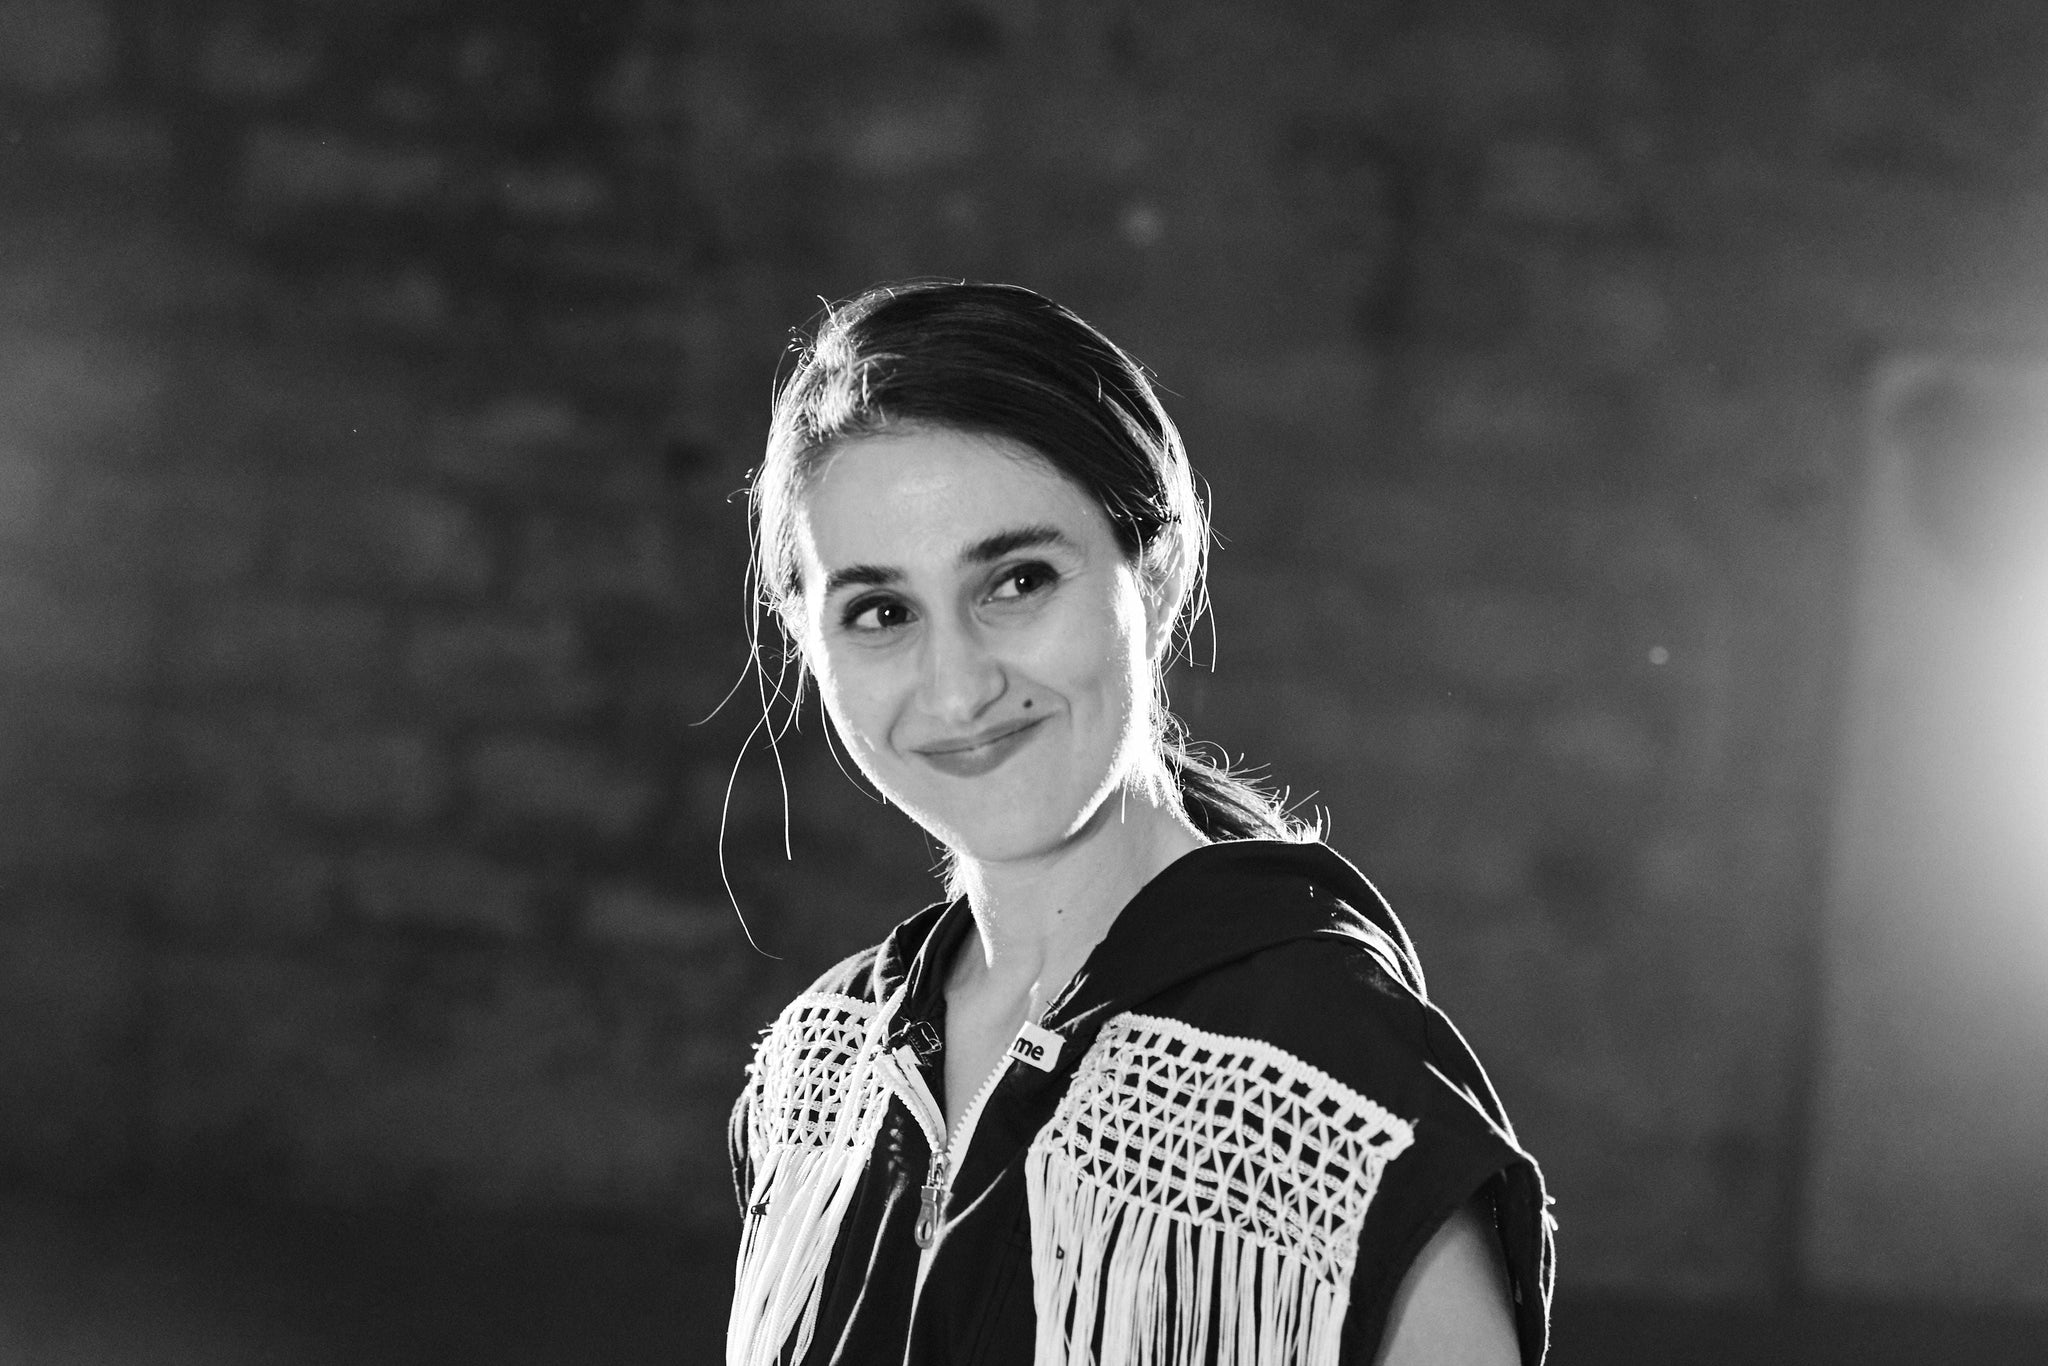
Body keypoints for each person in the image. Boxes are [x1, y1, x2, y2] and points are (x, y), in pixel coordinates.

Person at [727, 280, 1554, 1365]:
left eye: (1017, 580)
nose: (958, 688)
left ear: (1154, 578)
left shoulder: (1343, 1099)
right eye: (881, 611)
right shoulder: (814, 1074)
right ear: (808, 639)